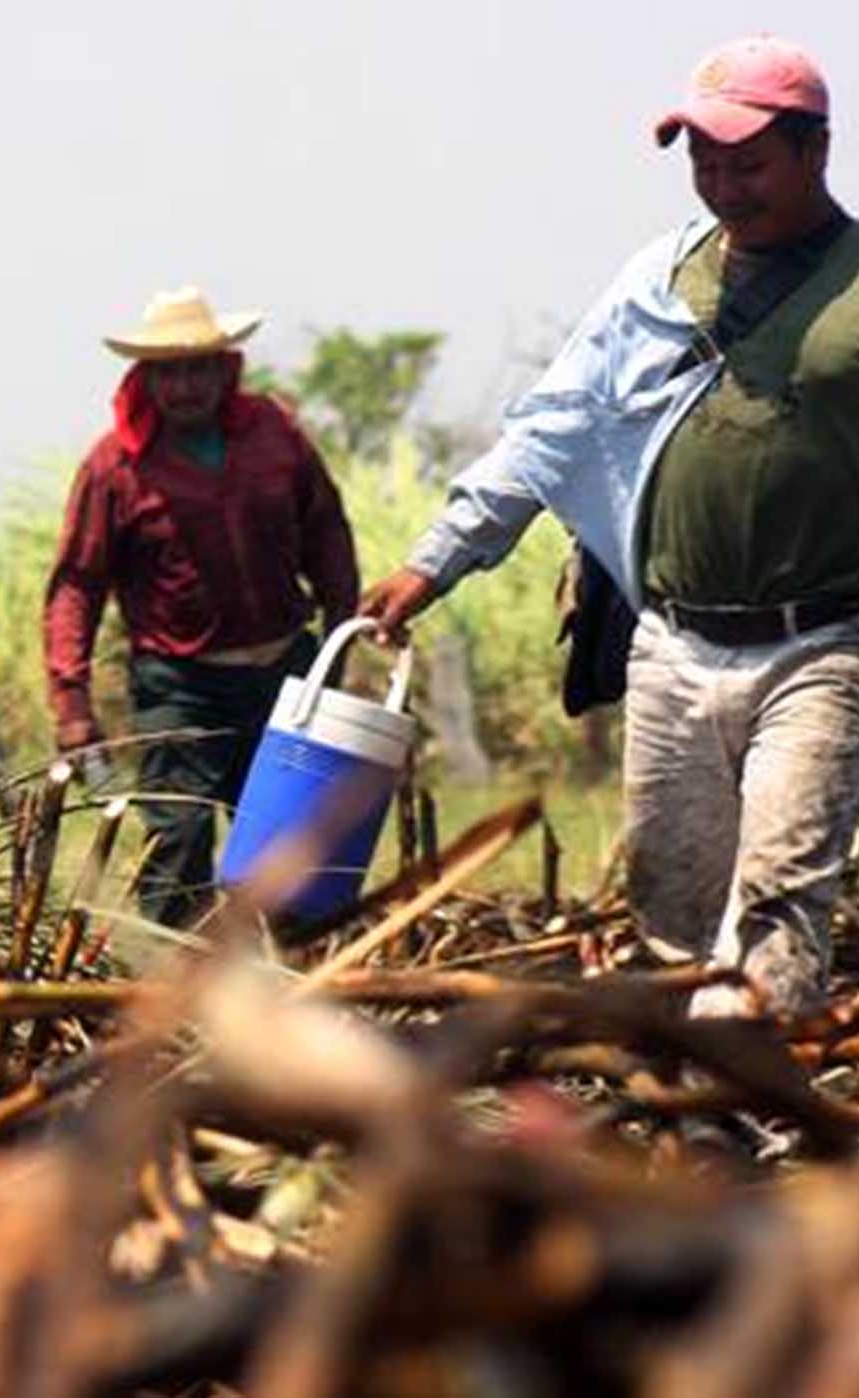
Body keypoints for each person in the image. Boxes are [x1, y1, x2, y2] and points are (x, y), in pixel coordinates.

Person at [362, 35, 851, 1020]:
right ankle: (691, 1135)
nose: (723, 186)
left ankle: (755, 1126)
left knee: (777, 901)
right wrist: (433, 562)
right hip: (670, 643)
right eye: (704, 163)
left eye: (747, 163)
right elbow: (558, 429)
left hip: (823, 649)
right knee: (670, 913)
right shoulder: (660, 280)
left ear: (814, 151)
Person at [44, 289, 360, 927]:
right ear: (147, 377)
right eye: (168, 372)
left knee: (284, 844)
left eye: (196, 368)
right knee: (179, 835)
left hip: (282, 671)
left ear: (224, 369)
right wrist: (72, 705)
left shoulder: (275, 434)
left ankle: (290, 984)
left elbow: (325, 528)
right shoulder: (116, 465)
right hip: (180, 682)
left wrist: (340, 628)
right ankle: (174, 986)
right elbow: (77, 583)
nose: (184, 386)